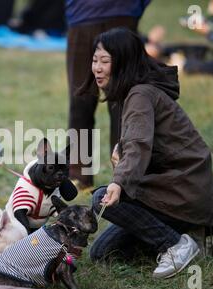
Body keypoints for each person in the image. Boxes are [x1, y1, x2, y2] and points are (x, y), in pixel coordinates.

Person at [79, 27, 213, 279]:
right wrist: (122, 162)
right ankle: (188, 237)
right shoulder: (135, 93)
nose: (97, 68)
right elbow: (141, 147)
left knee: (101, 198)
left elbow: (138, 145)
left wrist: (119, 181)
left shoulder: (139, 95)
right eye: (95, 60)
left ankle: (175, 245)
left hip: (183, 190)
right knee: (102, 252)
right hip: (172, 189)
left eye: (105, 61)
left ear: (123, 63)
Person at [65, 0, 151, 192]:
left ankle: (125, 175)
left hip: (123, 15)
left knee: (124, 102)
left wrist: (133, 8)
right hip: (82, 16)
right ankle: (79, 175)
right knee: (80, 98)